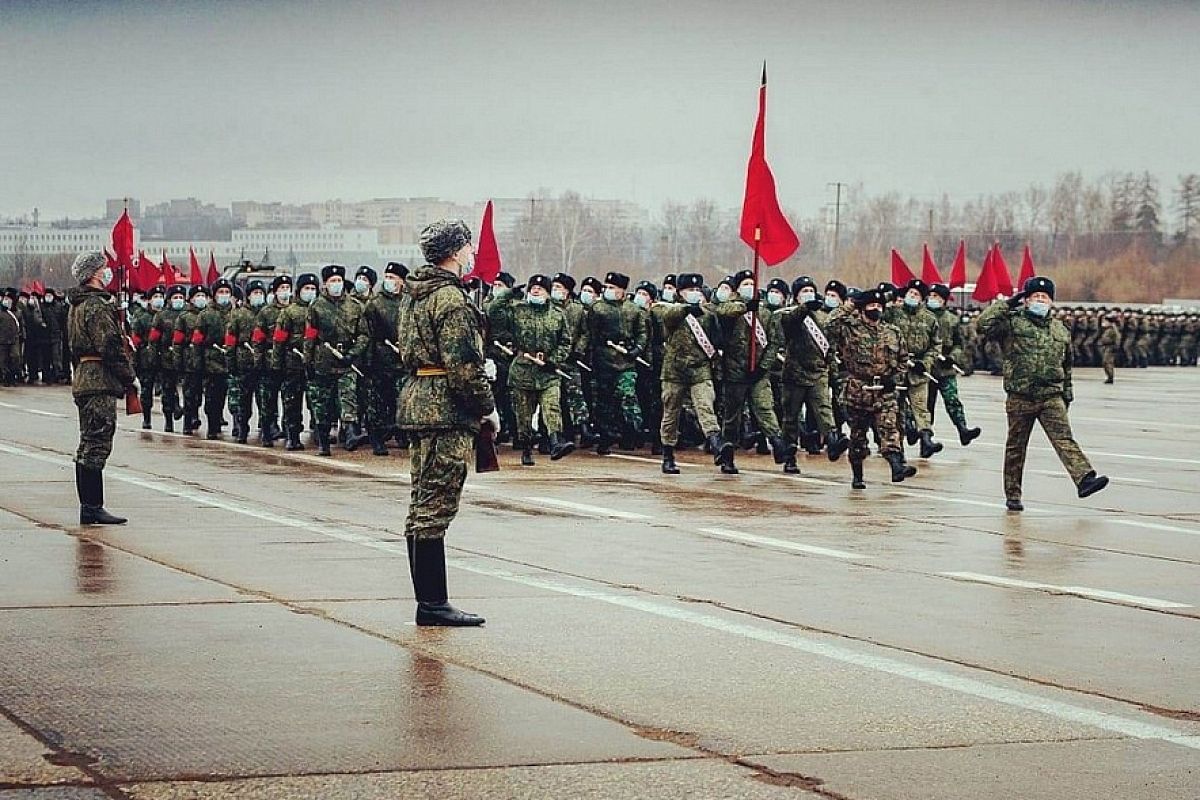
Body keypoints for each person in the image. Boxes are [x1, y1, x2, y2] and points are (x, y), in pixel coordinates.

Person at [396, 219, 495, 627]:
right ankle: (433, 604)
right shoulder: (450, 300)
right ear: (455, 252)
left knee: (421, 502)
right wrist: (486, 406)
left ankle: (430, 600)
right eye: (468, 247)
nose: (472, 252)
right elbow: (464, 366)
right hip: (446, 409)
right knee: (436, 504)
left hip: (420, 401)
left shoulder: (414, 295)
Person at [976, 276, 1108, 511]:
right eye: (1035, 297)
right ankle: (1013, 494)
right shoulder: (1012, 323)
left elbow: (1067, 364)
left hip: (1051, 396)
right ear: (1026, 301)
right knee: (1016, 447)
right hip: (1021, 396)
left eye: (1044, 297)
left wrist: (1067, 394)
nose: (1040, 301)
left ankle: (1084, 478)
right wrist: (1007, 303)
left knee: (1064, 439)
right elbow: (982, 325)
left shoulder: (1060, 328)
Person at [66, 251, 135, 525]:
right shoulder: (95, 305)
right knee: (96, 443)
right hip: (99, 380)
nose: (108, 272)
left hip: (85, 377)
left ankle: (90, 505)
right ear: (95, 273)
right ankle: (93, 507)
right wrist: (129, 377)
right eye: (104, 268)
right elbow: (109, 346)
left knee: (88, 443)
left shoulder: (76, 305)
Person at [827, 288, 916, 489]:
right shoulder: (849, 328)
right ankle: (857, 475)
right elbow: (830, 323)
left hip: (884, 390)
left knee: (889, 429)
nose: (875, 309)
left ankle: (896, 466)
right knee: (858, 437)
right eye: (871, 306)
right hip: (859, 390)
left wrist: (895, 378)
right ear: (862, 308)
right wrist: (850, 305)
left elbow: (903, 359)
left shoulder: (892, 332)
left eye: (878, 306)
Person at [657, 273, 730, 474]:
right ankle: (668, 454)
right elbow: (669, 317)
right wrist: (688, 309)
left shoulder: (707, 314)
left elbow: (716, 339)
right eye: (690, 290)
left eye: (697, 290)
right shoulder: (669, 309)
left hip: (700, 369)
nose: (695, 294)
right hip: (674, 371)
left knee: (706, 406)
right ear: (680, 292)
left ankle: (717, 444)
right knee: (671, 413)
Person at [508, 274, 574, 465]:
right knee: (524, 415)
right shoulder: (517, 310)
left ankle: (555, 442)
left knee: (552, 406)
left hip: (548, 372)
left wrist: (555, 360)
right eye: (532, 288)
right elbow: (495, 312)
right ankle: (527, 447)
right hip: (523, 371)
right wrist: (508, 293)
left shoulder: (557, 314)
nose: (536, 291)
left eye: (540, 289)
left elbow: (565, 342)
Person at [586, 271, 649, 455]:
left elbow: (643, 333)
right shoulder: (598, 309)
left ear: (622, 290)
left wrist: (637, 349)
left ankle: (634, 430)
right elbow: (592, 335)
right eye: (606, 287)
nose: (608, 290)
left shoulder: (634, 310)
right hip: (603, 362)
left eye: (612, 288)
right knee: (604, 403)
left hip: (626, 363)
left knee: (627, 395)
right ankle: (606, 438)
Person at [887, 279, 944, 458]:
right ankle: (897, 449)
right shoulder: (892, 313)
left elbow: (936, 345)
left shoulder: (929, 318)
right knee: (897, 411)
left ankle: (926, 439)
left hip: (918, 372)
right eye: (910, 293)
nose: (912, 296)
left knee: (921, 407)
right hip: (896, 369)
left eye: (916, 294)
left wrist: (926, 363)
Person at [926, 283, 981, 446]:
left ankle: (963, 429)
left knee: (953, 400)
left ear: (944, 300)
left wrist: (953, 357)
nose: (932, 299)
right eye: (931, 296)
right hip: (927, 368)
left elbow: (959, 344)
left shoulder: (952, 320)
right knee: (926, 406)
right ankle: (926, 439)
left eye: (936, 297)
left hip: (945, 369)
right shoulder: (922, 317)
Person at [362, 262, 407, 455]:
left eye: (393, 277)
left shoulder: (408, 302)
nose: (389, 280)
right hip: (380, 360)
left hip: (403, 361)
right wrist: (369, 361)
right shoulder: (375, 304)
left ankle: (401, 433)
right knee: (377, 403)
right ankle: (377, 438)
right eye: (387, 276)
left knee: (401, 400)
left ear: (402, 281)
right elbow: (368, 334)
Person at [271, 274, 318, 451]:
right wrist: (277, 366)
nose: (310, 292)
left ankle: (320, 434)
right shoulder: (288, 312)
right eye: (307, 288)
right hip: (293, 364)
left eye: (313, 289)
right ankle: (293, 435)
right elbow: (279, 341)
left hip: (315, 364)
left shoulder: (319, 310)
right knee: (292, 402)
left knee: (317, 401)